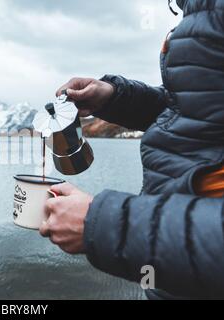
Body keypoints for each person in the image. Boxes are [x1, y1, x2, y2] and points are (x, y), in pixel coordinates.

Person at [39, 0, 224, 299]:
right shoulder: (200, 9)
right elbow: (195, 112)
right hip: (181, 277)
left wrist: (100, 223)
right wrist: (114, 98)